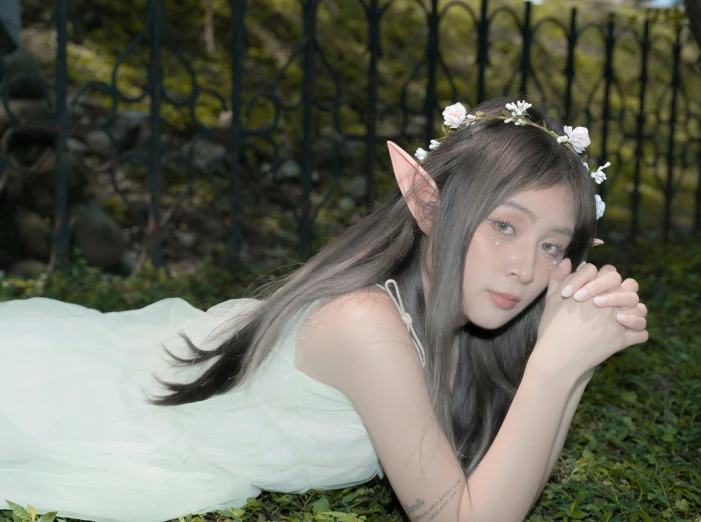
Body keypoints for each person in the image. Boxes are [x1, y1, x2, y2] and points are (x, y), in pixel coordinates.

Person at [0, 97, 648, 522]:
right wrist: (557, 368)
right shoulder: (365, 327)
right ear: (427, 205)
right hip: (54, 394)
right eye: (504, 226)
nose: (525, 267)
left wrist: (574, 353)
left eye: (551, 245)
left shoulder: (446, 328)